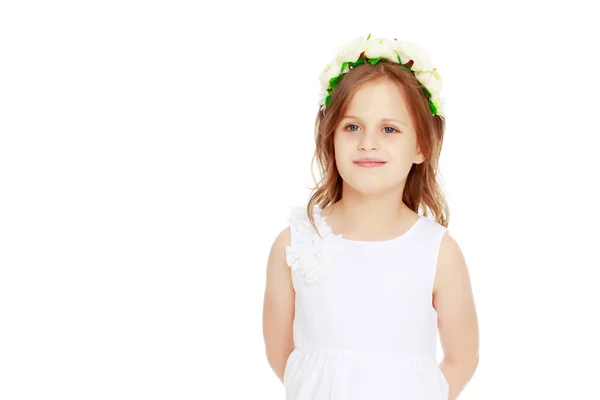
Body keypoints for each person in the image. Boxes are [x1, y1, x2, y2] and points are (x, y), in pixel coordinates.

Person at [262, 34, 479, 400]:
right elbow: (282, 353)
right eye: (352, 127)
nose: (367, 143)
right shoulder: (294, 243)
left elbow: (462, 357)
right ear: (331, 137)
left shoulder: (438, 251)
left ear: (421, 146)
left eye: (389, 129)